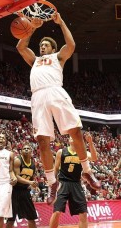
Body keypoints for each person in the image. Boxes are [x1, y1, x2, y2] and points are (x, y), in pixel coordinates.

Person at [16, 11, 101, 205]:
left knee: (76, 132)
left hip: (56, 92)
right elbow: (21, 46)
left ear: (53, 48)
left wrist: (61, 22)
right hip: (38, 96)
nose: (42, 47)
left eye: (45, 45)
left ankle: (87, 171)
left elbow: (71, 45)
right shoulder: (34, 60)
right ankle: (52, 183)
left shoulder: (58, 58)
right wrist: (32, 28)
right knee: (43, 141)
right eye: (41, 45)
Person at [49, 132, 97, 228]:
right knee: (57, 211)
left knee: (83, 213)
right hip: (63, 183)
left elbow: (94, 158)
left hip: (76, 184)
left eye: (74, 136)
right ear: (68, 140)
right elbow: (55, 169)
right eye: (70, 137)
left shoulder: (83, 153)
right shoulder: (61, 152)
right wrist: (53, 185)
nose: (72, 138)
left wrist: (90, 143)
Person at [6, 143, 38, 228]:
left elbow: (31, 178)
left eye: (28, 148)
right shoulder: (18, 160)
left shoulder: (33, 164)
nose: (26, 149)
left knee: (32, 217)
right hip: (14, 191)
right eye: (24, 148)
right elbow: (16, 176)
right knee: (11, 219)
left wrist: (34, 184)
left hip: (25, 192)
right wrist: (30, 182)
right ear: (21, 151)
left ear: (31, 151)